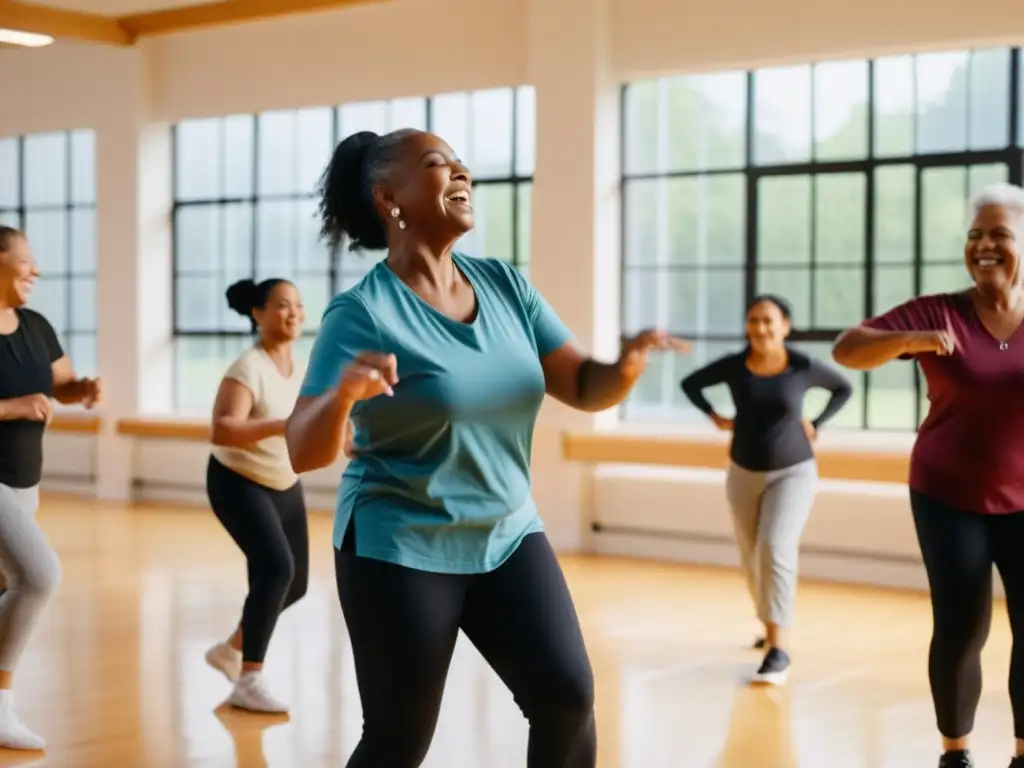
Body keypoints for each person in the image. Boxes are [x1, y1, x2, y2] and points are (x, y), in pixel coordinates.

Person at [285, 128, 689, 768]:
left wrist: (629, 363)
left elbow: (583, 385)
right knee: (398, 739)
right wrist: (341, 395)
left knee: (566, 695)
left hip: (507, 533)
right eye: (439, 163)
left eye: (461, 161)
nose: (462, 171)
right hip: (402, 544)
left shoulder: (505, 286)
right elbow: (302, 451)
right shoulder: (360, 312)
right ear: (390, 197)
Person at [831, 183, 1024, 768]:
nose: (984, 245)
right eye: (974, 235)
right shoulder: (939, 310)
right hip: (949, 496)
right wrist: (908, 342)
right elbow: (848, 348)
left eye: (999, 234)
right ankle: (956, 753)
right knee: (963, 624)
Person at [681, 295, 852, 686]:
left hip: (794, 471)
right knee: (751, 554)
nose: (760, 328)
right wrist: (715, 417)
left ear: (786, 325)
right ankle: (769, 620)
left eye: (768, 321)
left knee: (775, 546)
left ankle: (779, 649)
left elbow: (843, 388)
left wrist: (818, 422)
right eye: (753, 320)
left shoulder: (801, 366)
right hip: (743, 473)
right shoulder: (735, 366)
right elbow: (690, 383)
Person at [0, 225, 100, 750]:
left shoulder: (35, 325)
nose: (36, 270)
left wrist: (81, 389)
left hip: (23, 483)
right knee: (39, 576)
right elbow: (23, 400)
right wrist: (13, 408)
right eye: (26, 261)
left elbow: (58, 383)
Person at [203, 277, 308, 715]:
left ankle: (230, 649)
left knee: (296, 583)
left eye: (298, 306)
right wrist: (278, 425)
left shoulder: (299, 367)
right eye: (282, 305)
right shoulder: (248, 367)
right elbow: (223, 428)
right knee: (275, 567)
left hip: (283, 480)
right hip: (238, 479)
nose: (294, 313)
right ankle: (249, 678)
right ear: (258, 314)